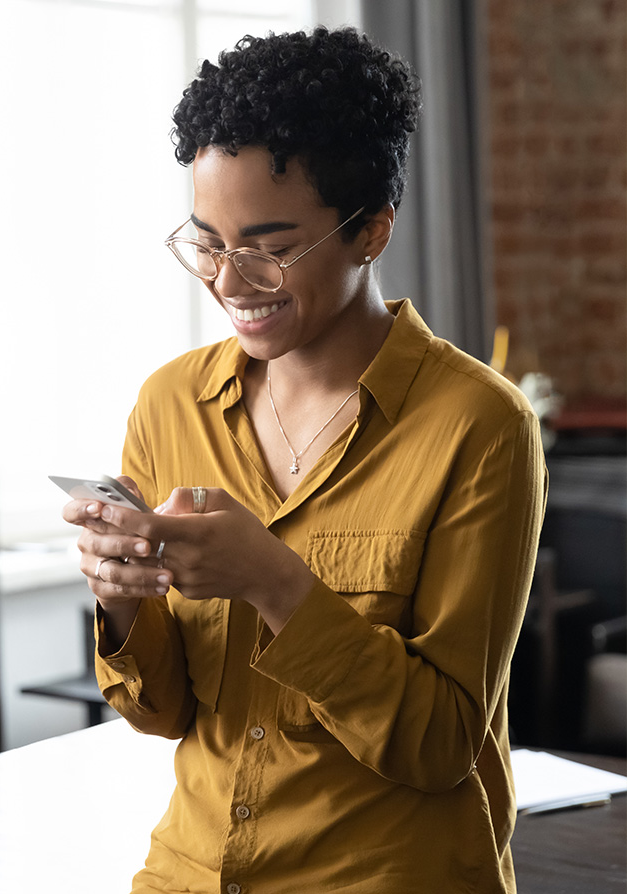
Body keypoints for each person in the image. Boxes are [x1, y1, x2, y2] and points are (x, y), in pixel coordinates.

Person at [63, 26, 546, 894]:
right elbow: (166, 713)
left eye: (271, 248)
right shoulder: (169, 403)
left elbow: (440, 745)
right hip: (192, 871)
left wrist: (274, 582)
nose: (227, 281)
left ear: (370, 231)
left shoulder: (481, 426)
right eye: (207, 241)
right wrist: (119, 596)